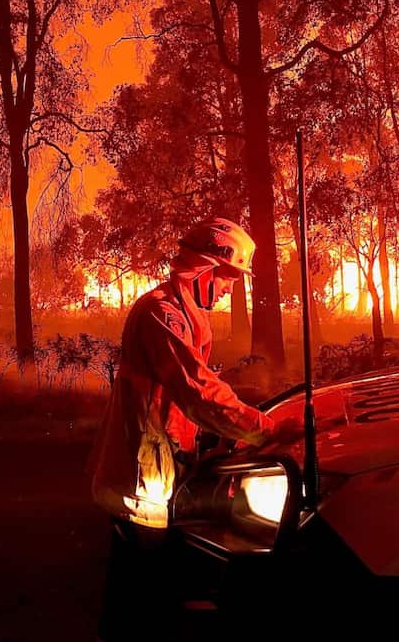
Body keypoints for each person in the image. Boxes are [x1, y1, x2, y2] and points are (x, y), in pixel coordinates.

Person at [89, 216, 300, 640]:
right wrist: (265, 429)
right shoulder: (161, 315)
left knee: (146, 596)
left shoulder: (183, 315)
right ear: (206, 268)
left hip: (156, 474)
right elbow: (198, 392)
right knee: (141, 605)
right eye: (228, 279)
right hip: (141, 482)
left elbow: (190, 397)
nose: (229, 290)